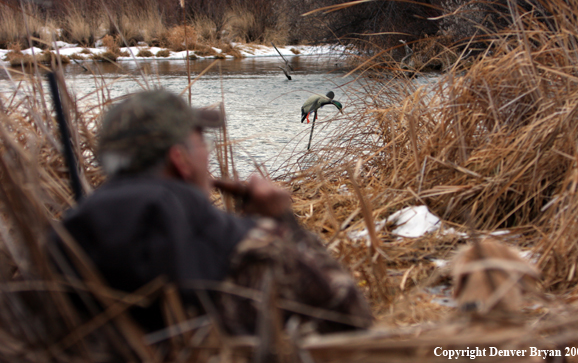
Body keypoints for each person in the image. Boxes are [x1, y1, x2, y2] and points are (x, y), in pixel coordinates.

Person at [61, 90, 372, 336]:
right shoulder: (245, 243)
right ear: (180, 159)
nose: (208, 152)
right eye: (201, 140)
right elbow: (352, 320)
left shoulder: (58, 247)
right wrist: (281, 223)